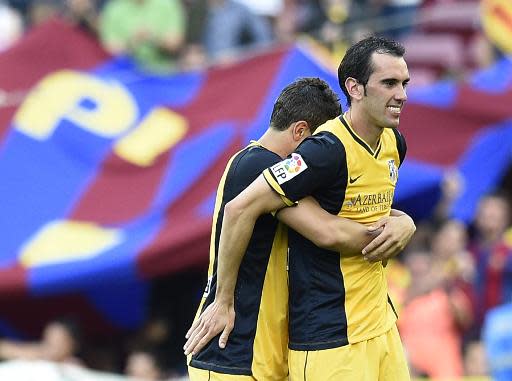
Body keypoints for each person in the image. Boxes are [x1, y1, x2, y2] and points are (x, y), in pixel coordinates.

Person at [186, 36, 414, 380]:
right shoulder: (258, 167)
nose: (401, 94)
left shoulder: (385, 146)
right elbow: (327, 230)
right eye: (389, 82)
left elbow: (355, 213)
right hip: (233, 351)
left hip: (269, 351)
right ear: (303, 132)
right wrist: (222, 300)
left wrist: (404, 221)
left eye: (404, 83)